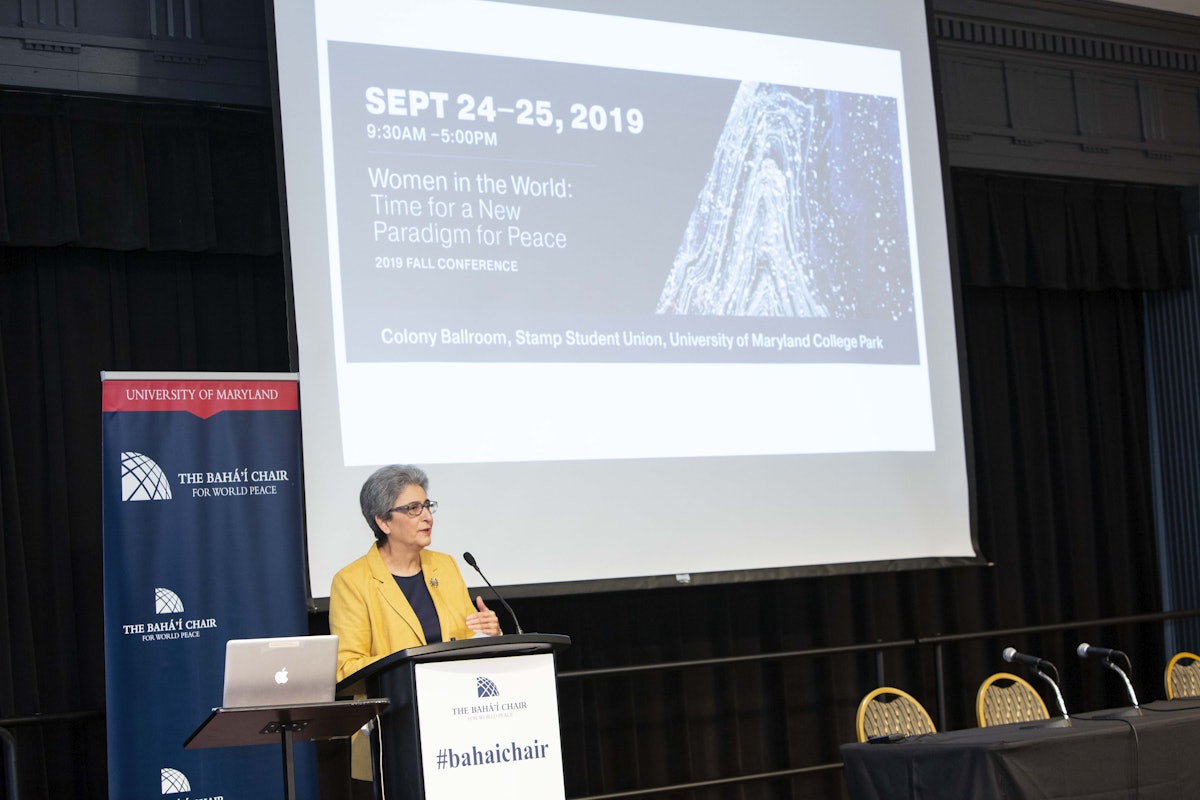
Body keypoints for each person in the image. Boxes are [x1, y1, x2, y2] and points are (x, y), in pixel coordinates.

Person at [329, 464, 500, 788]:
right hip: (394, 730)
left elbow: (463, 640)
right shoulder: (352, 582)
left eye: (427, 505)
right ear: (383, 521)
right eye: (412, 508)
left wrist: (486, 631)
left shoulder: (446, 566)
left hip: (459, 724)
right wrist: (411, 664)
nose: (427, 516)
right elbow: (346, 668)